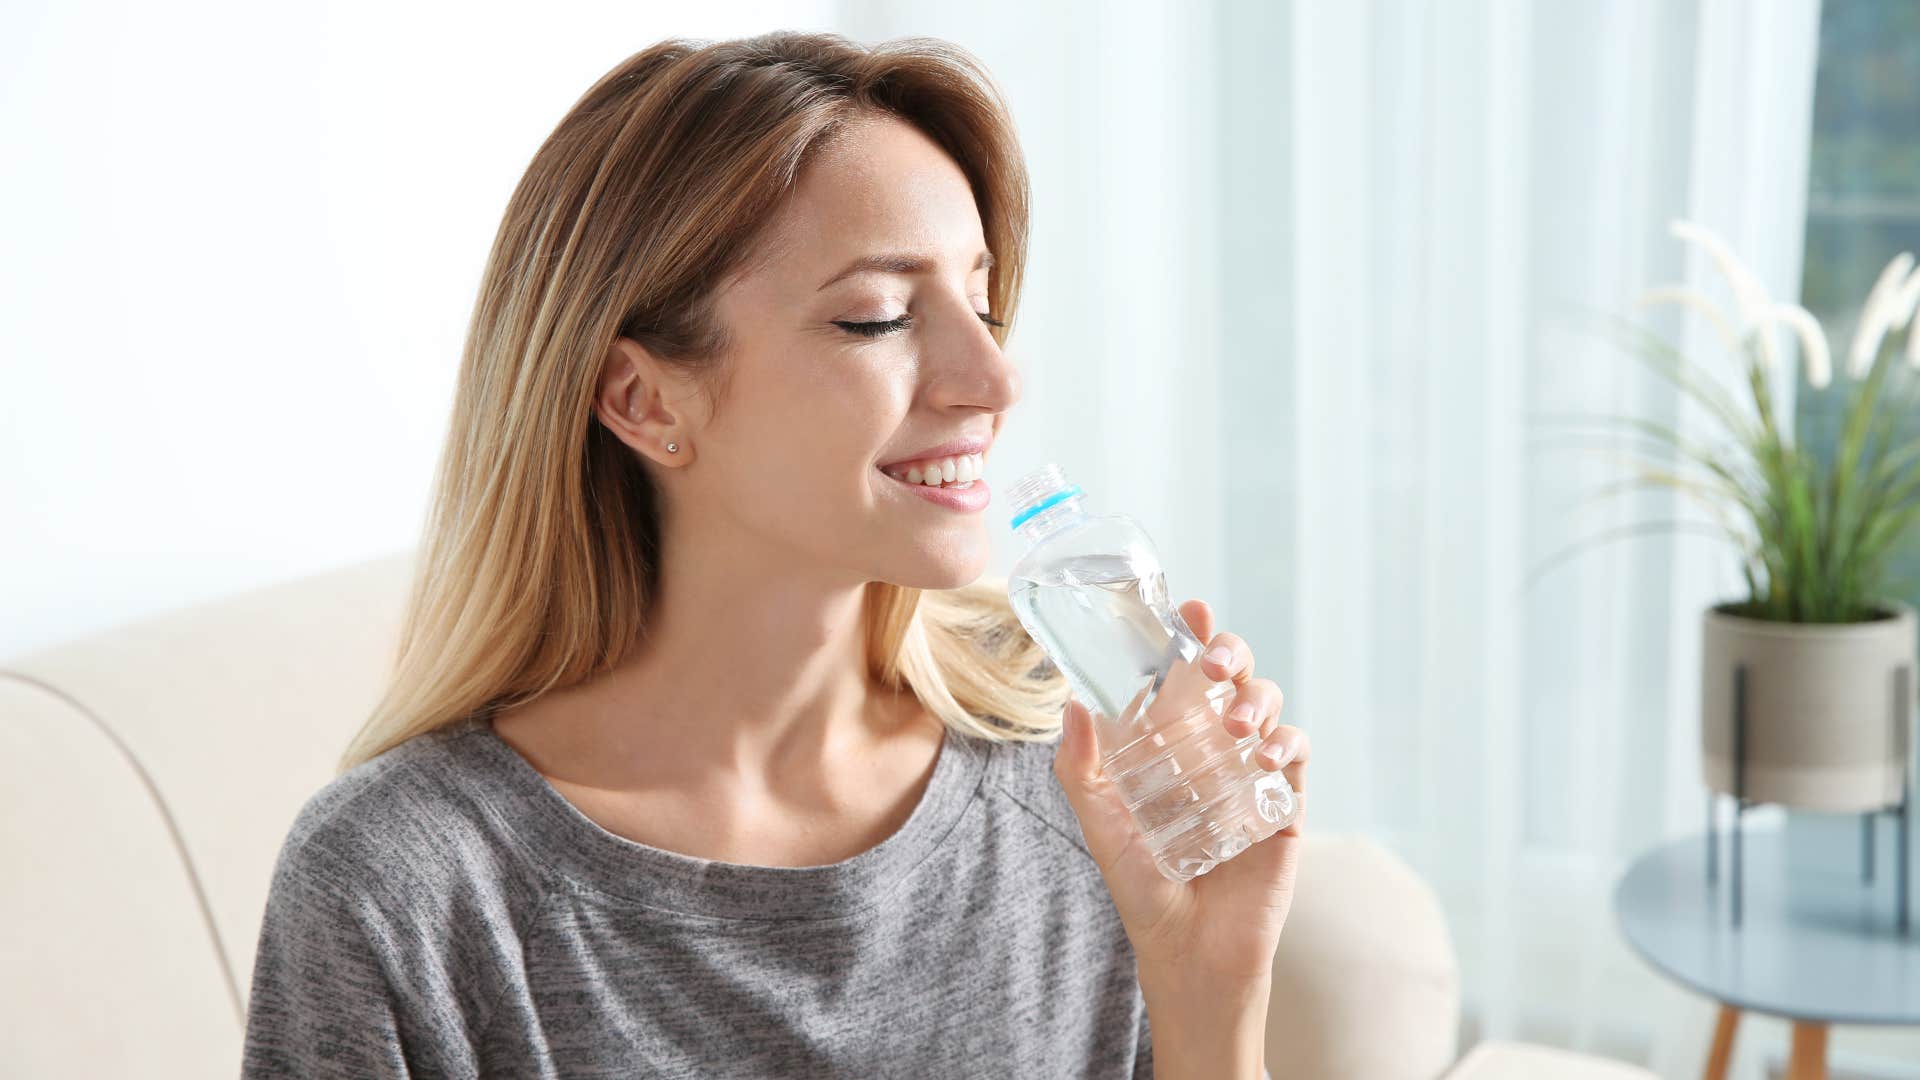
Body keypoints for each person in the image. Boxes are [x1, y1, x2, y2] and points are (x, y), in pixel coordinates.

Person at [239, 30, 1309, 1079]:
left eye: (980, 303)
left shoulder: (1076, 766)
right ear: (642, 400)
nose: (991, 378)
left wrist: (1209, 996)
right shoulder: (402, 887)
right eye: (879, 318)